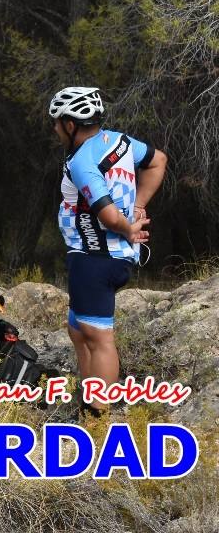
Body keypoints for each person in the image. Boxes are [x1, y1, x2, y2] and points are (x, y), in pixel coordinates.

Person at [49, 86, 167, 416]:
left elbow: (106, 213)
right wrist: (139, 204)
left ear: (70, 125)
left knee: (98, 338)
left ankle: (98, 415)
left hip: (96, 258)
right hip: (106, 257)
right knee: (77, 328)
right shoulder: (120, 142)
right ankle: (89, 398)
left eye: (57, 123)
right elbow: (158, 161)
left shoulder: (83, 162)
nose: (55, 130)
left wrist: (127, 225)